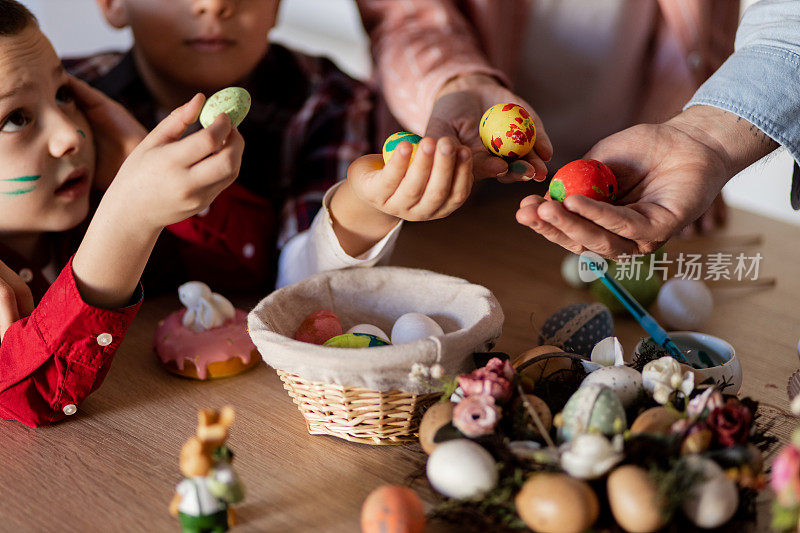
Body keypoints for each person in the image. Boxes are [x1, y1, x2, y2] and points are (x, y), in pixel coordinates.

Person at [66, 0, 474, 293]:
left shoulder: (329, 100)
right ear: (112, 4)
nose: (215, 5)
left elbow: (306, 283)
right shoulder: (63, 98)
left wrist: (366, 206)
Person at [357, 0, 787, 255]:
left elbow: (706, 29)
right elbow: (402, 12)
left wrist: (702, 137)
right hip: (462, 168)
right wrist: (459, 81)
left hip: (632, 169)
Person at [0, 0, 244, 427]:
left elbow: (240, 271)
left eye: (64, 94)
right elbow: (34, 398)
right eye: (15, 118)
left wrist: (139, 167)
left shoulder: (81, 212)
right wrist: (125, 221)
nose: (69, 135)